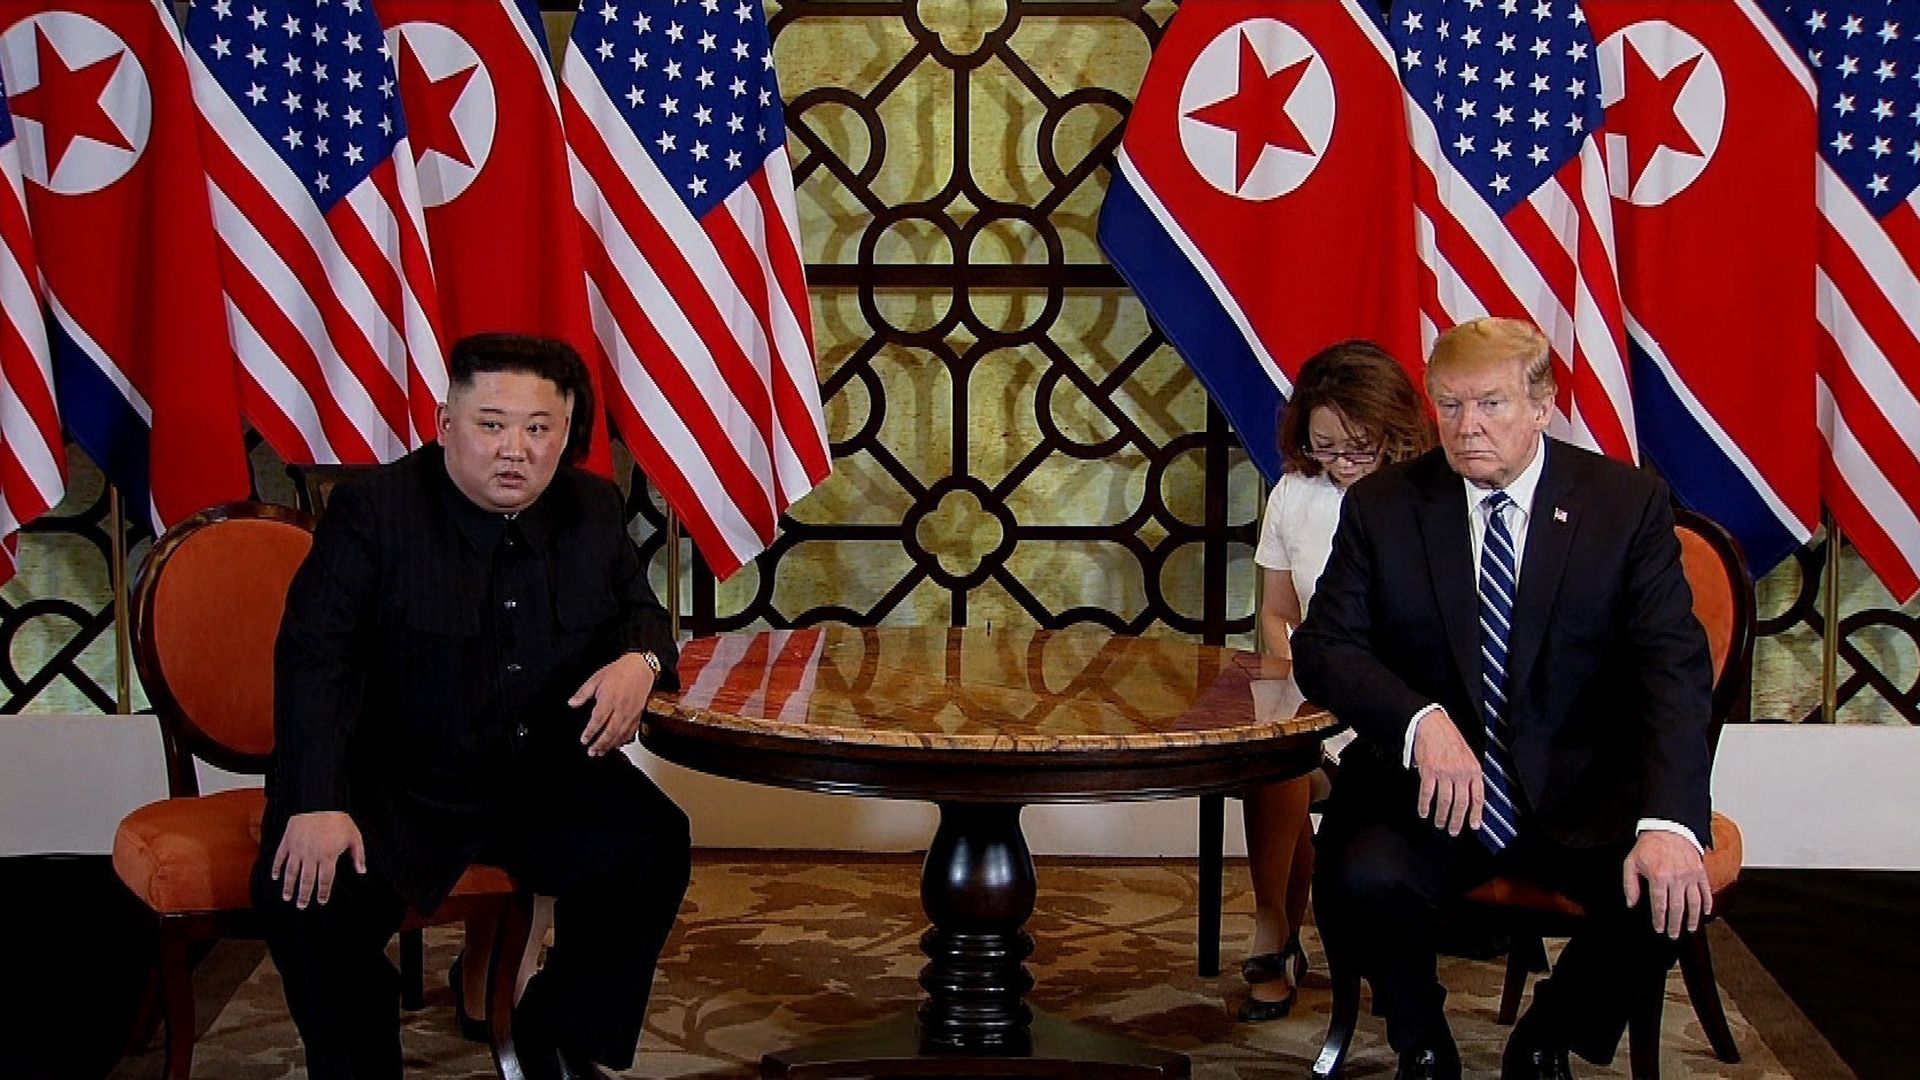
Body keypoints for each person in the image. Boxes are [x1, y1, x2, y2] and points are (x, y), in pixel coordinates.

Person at [252, 333, 692, 1080]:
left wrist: (640, 661)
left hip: (538, 777)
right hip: (397, 785)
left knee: (653, 842)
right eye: (491, 425)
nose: (513, 449)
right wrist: (316, 801)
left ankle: (555, 1031)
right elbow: (314, 663)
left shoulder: (590, 504)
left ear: (566, 432)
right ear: (445, 423)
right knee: (305, 897)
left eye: (537, 428)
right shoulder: (373, 512)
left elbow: (639, 611)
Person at [1292, 317, 1714, 1080]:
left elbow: (1673, 671)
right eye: (1448, 406)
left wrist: (1670, 820)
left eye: (1490, 404)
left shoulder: (1624, 506)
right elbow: (1324, 648)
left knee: (1670, 884)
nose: (1466, 427)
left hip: (1581, 788)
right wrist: (1421, 724)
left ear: (1543, 404)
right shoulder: (1387, 506)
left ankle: (1549, 1036)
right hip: (1429, 790)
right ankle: (1421, 1041)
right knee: (1358, 872)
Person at [1237, 340, 1434, 1023]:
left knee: (1297, 768)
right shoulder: (1296, 496)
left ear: (1394, 431)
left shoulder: (1426, 499)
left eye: (1360, 447)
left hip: (1398, 714)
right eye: (1325, 447)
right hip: (1316, 698)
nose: (1342, 463)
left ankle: (1323, 940)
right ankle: (1274, 928)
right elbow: (1277, 611)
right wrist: (1294, 673)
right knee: (1274, 760)